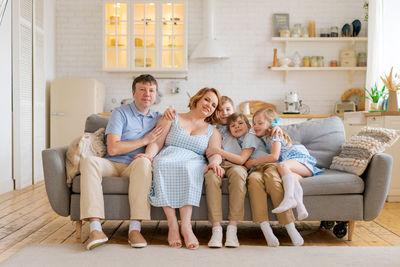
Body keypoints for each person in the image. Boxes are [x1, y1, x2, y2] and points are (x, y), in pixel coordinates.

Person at [80, 74, 175, 250]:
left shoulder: (158, 118)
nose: (147, 94)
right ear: (133, 93)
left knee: (145, 162)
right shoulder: (120, 113)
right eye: (142, 90)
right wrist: (145, 140)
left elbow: (179, 124)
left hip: (135, 165)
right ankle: (95, 228)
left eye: (151, 90)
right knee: (88, 162)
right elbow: (113, 149)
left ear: (155, 95)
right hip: (112, 164)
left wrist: (171, 115)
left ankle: (135, 229)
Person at [138, 88, 223, 250]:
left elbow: (215, 153)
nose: (209, 106)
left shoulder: (213, 131)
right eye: (207, 100)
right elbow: (157, 141)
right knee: (161, 163)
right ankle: (172, 225)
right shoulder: (172, 117)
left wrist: (215, 163)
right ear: (197, 99)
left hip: (193, 160)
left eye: (213, 105)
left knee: (189, 167)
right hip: (168, 155)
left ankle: (186, 225)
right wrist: (149, 156)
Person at [245, 108, 322, 246]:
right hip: (299, 167)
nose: (255, 126)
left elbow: (274, 156)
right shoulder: (263, 136)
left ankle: (289, 198)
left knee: (282, 166)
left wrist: (253, 162)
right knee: (290, 177)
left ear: (271, 124)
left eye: (260, 123)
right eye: (254, 123)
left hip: (299, 159)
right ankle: (300, 207)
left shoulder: (275, 134)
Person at [205, 110, 267, 248]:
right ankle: (216, 229)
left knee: (239, 175)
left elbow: (241, 160)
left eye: (240, 123)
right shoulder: (219, 132)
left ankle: (232, 229)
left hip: (237, 165)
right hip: (221, 162)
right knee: (211, 176)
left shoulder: (250, 137)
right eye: (233, 125)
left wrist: (218, 150)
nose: (237, 126)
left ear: (248, 125)